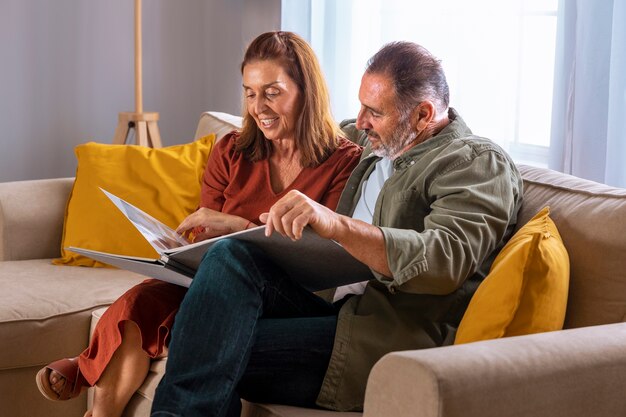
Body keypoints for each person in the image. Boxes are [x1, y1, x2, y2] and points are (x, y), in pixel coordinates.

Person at [150, 41, 524, 417]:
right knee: (228, 256)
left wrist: (337, 226)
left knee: (207, 342)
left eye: (374, 112)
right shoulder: (372, 142)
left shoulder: (474, 163)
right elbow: (303, 127)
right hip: (327, 308)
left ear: (423, 115)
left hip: (377, 336)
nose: (359, 122)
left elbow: (444, 261)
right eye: (361, 105)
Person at [35, 31, 362, 417]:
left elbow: (317, 255)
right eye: (250, 92)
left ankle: (87, 365)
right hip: (216, 285)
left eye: (272, 92)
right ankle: (102, 413)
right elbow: (205, 240)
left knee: (224, 266)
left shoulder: (344, 161)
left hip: (289, 295)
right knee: (142, 300)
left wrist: (236, 224)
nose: (259, 107)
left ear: (306, 90)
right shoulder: (231, 151)